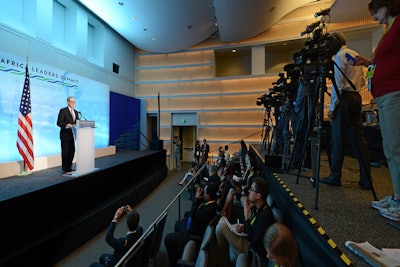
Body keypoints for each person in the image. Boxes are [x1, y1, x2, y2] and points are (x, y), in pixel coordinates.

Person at [355, 0, 400, 221]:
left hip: (394, 93)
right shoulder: (388, 30)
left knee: (395, 148)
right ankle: (397, 195)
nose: (373, 17)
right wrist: (368, 62)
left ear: (387, 5)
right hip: (384, 96)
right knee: (390, 148)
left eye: (375, 11)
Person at [320, 32, 373, 190]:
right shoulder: (353, 53)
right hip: (356, 98)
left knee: (337, 140)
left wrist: (331, 108)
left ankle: (335, 176)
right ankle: (366, 179)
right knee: (359, 140)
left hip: (344, 100)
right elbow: (362, 80)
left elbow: (339, 85)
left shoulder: (339, 57)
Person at [215, 177, 275, 265]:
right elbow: (252, 227)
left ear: (258, 196)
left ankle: (223, 255)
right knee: (220, 225)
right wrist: (243, 227)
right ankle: (223, 256)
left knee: (221, 224)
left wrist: (246, 216)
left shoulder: (266, 215)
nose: (249, 191)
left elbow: (254, 241)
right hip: (247, 238)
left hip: (251, 248)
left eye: (251, 189)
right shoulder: (258, 208)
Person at [164, 182, 218, 267]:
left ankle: (173, 262)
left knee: (168, 238)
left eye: (204, 192)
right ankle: (180, 250)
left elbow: (194, 214)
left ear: (208, 195)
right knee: (178, 223)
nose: (202, 193)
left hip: (193, 235)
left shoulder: (209, 209)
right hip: (196, 227)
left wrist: (196, 198)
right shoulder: (211, 203)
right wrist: (199, 199)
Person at [57, 96, 79, 175]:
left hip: (73, 135)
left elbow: (78, 122)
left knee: (72, 152)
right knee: (65, 152)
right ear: (68, 102)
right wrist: (67, 124)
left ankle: (69, 168)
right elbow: (59, 122)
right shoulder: (63, 111)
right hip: (65, 135)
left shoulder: (76, 112)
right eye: (72, 102)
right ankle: (65, 169)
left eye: (74, 102)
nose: (73, 103)